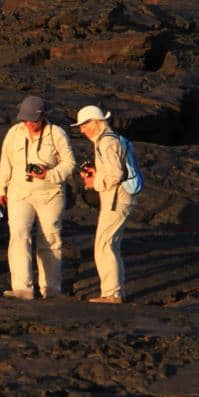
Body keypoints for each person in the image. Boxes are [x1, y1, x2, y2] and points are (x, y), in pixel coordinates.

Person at [0, 95, 76, 300]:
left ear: (43, 116)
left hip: (50, 193)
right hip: (19, 192)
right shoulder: (14, 133)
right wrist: (1, 188)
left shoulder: (56, 134)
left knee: (50, 240)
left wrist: (49, 174)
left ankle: (51, 289)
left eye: (33, 119)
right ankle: (22, 288)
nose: (29, 123)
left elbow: (69, 164)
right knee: (19, 236)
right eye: (26, 119)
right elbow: (6, 161)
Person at [74, 106, 134, 304]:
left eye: (84, 125)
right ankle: (116, 291)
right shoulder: (111, 138)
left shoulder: (106, 142)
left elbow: (115, 174)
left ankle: (112, 294)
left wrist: (94, 182)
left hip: (117, 198)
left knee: (104, 245)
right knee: (110, 245)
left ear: (95, 123)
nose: (82, 130)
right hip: (120, 197)